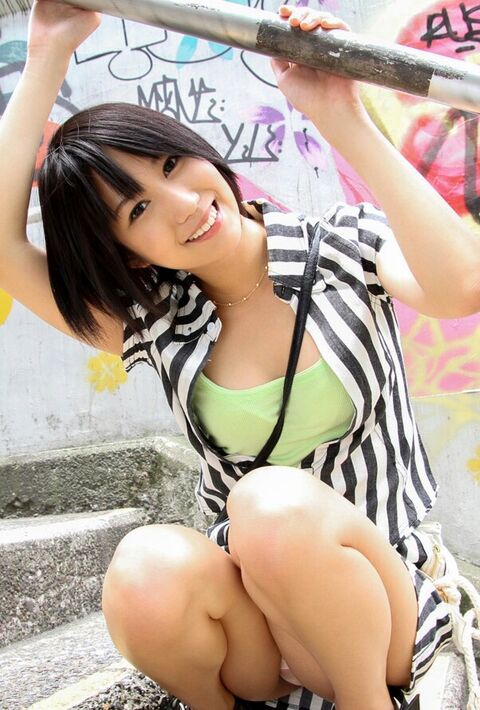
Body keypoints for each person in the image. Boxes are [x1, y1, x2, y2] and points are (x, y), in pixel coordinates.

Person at [1, 1, 479, 709]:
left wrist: (337, 111)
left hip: (386, 606)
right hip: (264, 632)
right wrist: (47, 54)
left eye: (172, 164)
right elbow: (4, 246)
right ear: (128, 254)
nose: (182, 202)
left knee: (269, 505)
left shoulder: (343, 248)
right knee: (143, 567)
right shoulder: (159, 324)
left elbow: (461, 285)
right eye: (138, 210)